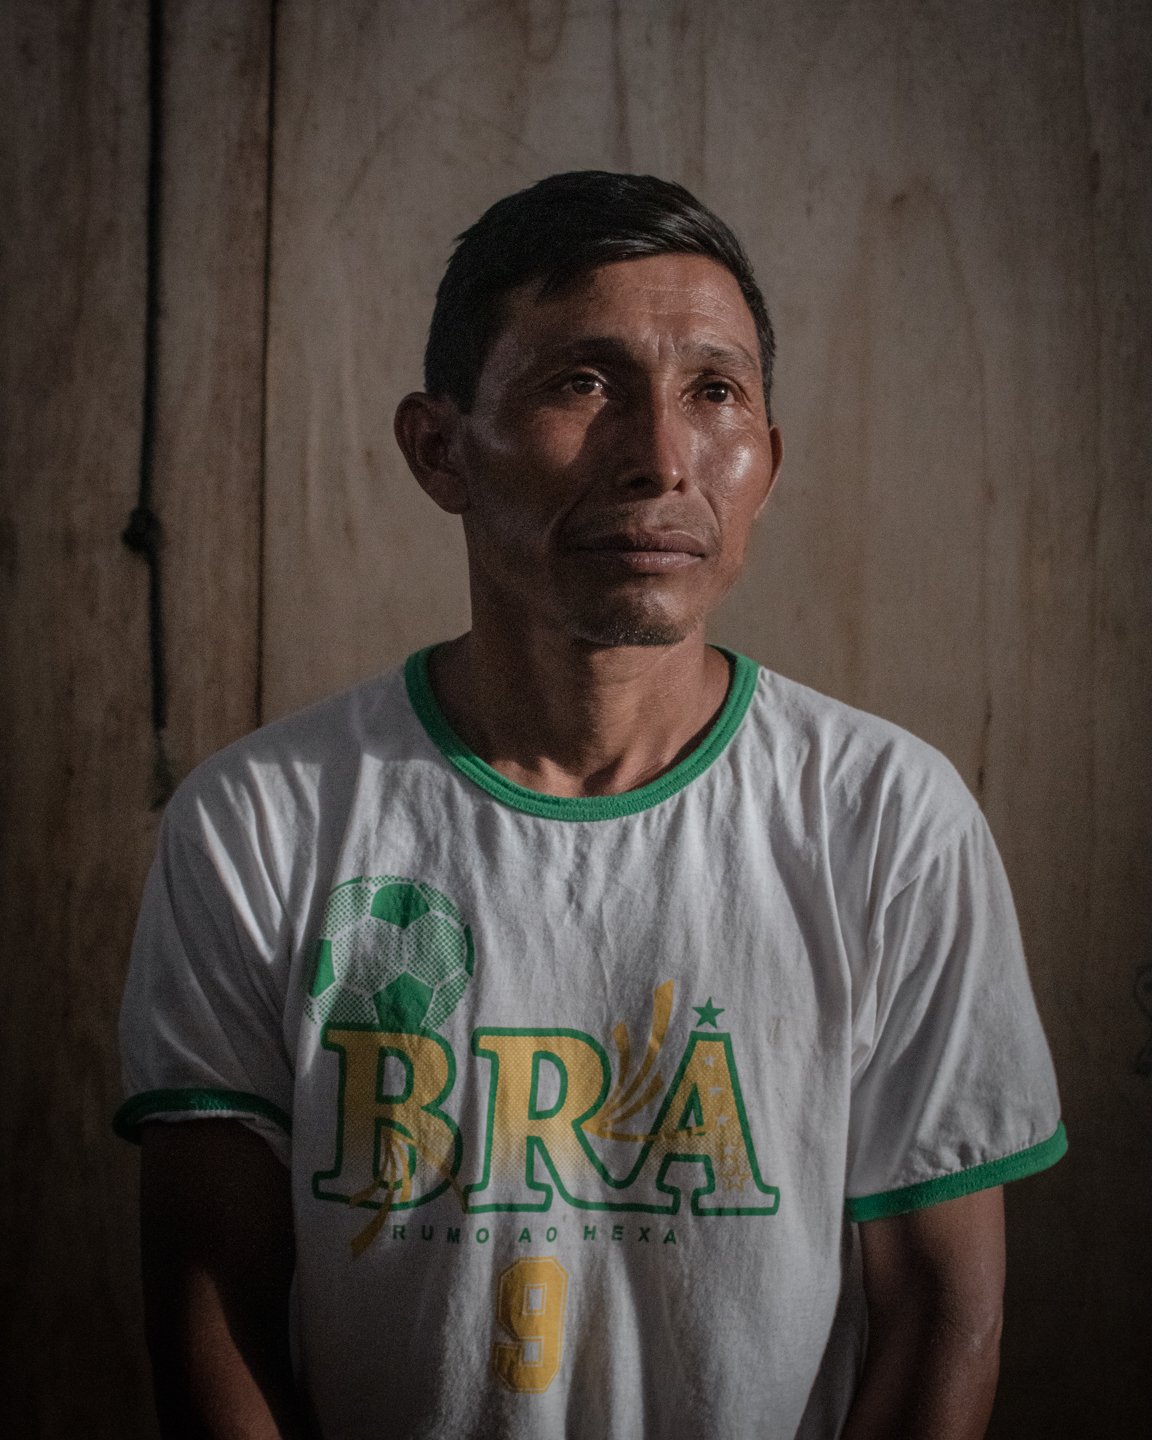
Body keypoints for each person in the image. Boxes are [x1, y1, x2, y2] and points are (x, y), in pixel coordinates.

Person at [116, 171, 1066, 1440]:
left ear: (767, 467)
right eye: (583, 383)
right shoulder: (261, 824)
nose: (662, 460)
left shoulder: (889, 819)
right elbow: (209, 1309)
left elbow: (946, 1319)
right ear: (437, 448)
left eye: (714, 393)